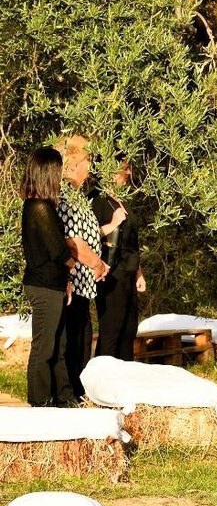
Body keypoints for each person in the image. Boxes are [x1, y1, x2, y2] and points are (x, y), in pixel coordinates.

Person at [21, 147, 76, 406]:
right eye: (58, 170)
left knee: (58, 346)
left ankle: (63, 398)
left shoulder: (44, 206)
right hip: (43, 286)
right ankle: (39, 402)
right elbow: (58, 250)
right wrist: (75, 264)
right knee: (44, 348)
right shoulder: (38, 207)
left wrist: (66, 281)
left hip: (53, 284)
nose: (60, 176)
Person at [56, 135, 109, 399]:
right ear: (75, 163)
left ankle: (78, 395)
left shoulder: (77, 196)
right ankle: (68, 396)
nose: (91, 166)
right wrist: (96, 263)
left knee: (83, 340)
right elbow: (73, 241)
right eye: (88, 160)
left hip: (84, 284)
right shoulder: (65, 196)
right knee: (74, 342)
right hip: (72, 283)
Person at [90, 160, 146, 361]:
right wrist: (113, 222)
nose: (129, 173)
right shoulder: (97, 200)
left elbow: (131, 240)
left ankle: (124, 374)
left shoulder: (123, 200)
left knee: (129, 328)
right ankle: (102, 375)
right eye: (125, 168)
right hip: (109, 272)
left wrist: (139, 272)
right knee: (112, 329)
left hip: (129, 271)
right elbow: (88, 235)